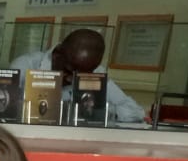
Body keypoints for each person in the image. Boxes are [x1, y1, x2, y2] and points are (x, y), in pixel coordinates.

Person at [9, 28, 145, 124]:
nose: (72, 79)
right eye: (68, 70)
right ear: (57, 54)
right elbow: (4, 110)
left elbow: (135, 111)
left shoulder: (95, 72)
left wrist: (101, 111)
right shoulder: (26, 65)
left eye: (80, 75)